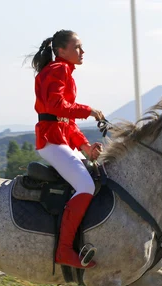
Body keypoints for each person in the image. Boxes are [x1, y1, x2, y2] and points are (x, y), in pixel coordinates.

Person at [31, 29, 104, 269]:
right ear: (61, 51)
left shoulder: (65, 73)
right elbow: (57, 106)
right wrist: (88, 111)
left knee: (92, 179)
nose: (82, 52)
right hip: (51, 142)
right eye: (77, 47)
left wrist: (84, 146)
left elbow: (67, 122)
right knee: (86, 185)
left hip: (59, 139)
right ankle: (63, 250)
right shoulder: (58, 69)